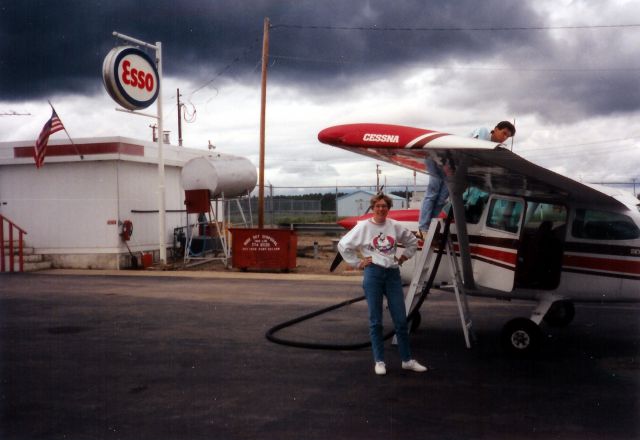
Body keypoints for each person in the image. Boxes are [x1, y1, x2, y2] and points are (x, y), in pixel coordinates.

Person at [338, 193, 427, 376]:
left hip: (393, 274)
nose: (381, 209)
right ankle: (379, 360)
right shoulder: (363, 227)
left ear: (388, 208)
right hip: (373, 274)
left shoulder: (394, 226)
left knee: (401, 320)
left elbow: (412, 242)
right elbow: (343, 245)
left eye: (384, 206)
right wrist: (358, 263)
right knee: (375, 321)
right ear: (373, 208)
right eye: (378, 206)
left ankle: (407, 360)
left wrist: (403, 257)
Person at [418, 120, 516, 234]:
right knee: (433, 192)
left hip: (452, 167)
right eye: (504, 133)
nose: (504, 137)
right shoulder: (483, 132)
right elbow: (472, 151)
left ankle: (428, 227)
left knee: (441, 199)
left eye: (507, 136)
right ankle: (423, 227)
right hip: (439, 158)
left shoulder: (493, 147)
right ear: (496, 129)